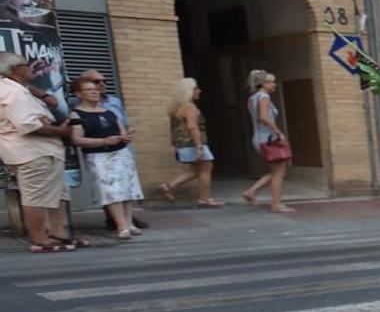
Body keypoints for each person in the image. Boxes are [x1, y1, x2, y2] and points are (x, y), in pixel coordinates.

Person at [0, 51, 74, 251]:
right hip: (32, 152)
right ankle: (40, 239)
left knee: (57, 193)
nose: (31, 67)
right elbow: (29, 125)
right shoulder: (13, 92)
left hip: (41, 151)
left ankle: (58, 232)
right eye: (26, 64)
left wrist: (44, 97)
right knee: (35, 196)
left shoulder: (16, 88)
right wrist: (62, 130)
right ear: (14, 70)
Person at [68, 73, 144, 240]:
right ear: (79, 94)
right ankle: (121, 226)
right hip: (99, 156)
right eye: (89, 90)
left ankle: (129, 222)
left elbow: (121, 131)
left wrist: (125, 137)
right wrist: (104, 140)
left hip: (121, 153)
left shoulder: (109, 111)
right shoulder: (77, 114)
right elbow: (76, 139)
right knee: (111, 191)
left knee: (127, 189)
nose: (95, 92)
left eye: (95, 89)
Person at [158, 76, 222, 208]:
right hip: (193, 144)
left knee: (195, 171)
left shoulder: (176, 109)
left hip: (182, 144)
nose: (199, 91)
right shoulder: (190, 107)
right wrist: (199, 147)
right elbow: (192, 127)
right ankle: (204, 199)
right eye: (196, 88)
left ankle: (169, 186)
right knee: (206, 168)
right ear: (189, 91)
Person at [240, 70, 295, 214]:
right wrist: (278, 133)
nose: (275, 85)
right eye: (272, 82)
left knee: (276, 170)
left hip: (258, 137)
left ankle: (252, 191)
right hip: (268, 138)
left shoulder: (252, 98)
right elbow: (264, 117)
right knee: (279, 172)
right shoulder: (264, 97)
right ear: (264, 84)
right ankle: (276, 204)